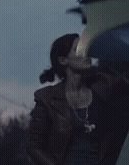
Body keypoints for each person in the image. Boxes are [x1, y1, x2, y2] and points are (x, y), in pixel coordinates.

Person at [27, 33, 119, 165]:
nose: (85, 53)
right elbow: (33, 146)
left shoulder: (103, 87)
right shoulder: (47, 98)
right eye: (77, 49)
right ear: (63, 60)